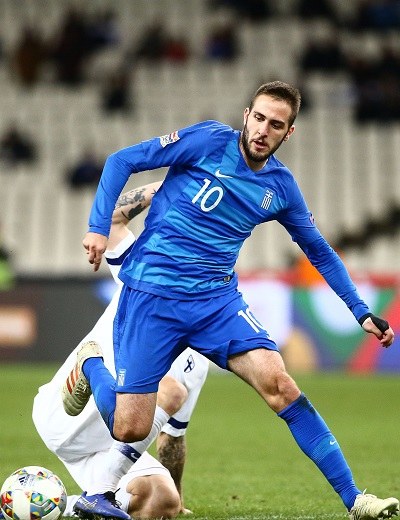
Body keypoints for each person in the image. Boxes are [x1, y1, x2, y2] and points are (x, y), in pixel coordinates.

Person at [64, 81, 399, 520]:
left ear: (289, 133)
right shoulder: (206, 140)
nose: (263, 130)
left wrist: (360, 311)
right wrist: (97, 228)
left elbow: (318, 249)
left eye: (275, 124)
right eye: (258, 118)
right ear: (246, 115)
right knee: (130, 427)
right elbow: (121, 160)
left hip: (215, 302)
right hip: (152, 295)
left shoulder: (280, 187)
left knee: (281, 386)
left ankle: (355, 500)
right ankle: (91, 363)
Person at [33, 181, 209, 519]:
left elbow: (172, 437)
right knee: (169, 390)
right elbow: (112, 218)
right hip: (64, 412)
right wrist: (173, 182)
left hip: (104, 448)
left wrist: (178, 500)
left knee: (161, 504)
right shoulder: (143, 274)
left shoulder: (196, 359)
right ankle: (90, 366)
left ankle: (59, 507)